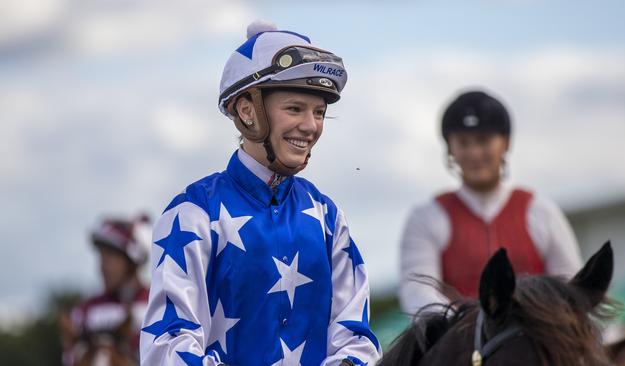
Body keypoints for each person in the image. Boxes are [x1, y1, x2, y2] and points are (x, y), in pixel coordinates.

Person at [139, 20, 381, 366]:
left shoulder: (327, 216)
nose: (311, 126)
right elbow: (166, 344)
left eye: (320, 113)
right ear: (246, 110)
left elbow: (357, 341)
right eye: (295, 108)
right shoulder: (192, 212)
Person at [398, 89, 583, 315]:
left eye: (484, 140)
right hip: (459, 342)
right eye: (464, 143)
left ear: (505, 143)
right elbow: (417, 292)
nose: (475, 152)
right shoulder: (426, 217)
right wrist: (466, 323)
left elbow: (571, 287)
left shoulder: (541, 211)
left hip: (536, 338)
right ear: (450, 149)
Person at [59, 214, 151, 365]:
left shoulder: (158, 305)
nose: (102, 266)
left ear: (132, 261)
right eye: (101, 256)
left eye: (110, 256)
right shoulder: (83, 312)